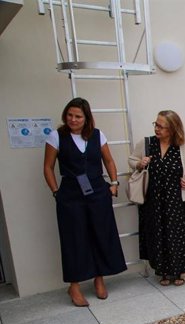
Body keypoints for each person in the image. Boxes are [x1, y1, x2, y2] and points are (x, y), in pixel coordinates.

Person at [43, 97, 127, 307]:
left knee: (100, 233)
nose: (73, 119)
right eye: (70, 115)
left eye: (78, 116)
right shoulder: (56, 136)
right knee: (74, 239)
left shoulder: (97, 135)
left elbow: (108, 160)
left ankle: (99, 279)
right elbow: (48, 167)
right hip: (70, 194)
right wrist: (56, 192)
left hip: (98, 191)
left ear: (86, 118)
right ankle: (74, 286)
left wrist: (114, 183)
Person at [128, 110, 185, 286]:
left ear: (172, 129)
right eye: (156, 124)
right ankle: (163, 270)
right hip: (152, 201)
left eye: (161, 126)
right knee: (157, 234)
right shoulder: (146, 144)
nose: (157, 128)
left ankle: (180, 270)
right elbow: (132, 160)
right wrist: (139, 164)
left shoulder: (182, 147)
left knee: (177, 235)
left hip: (177, 201)